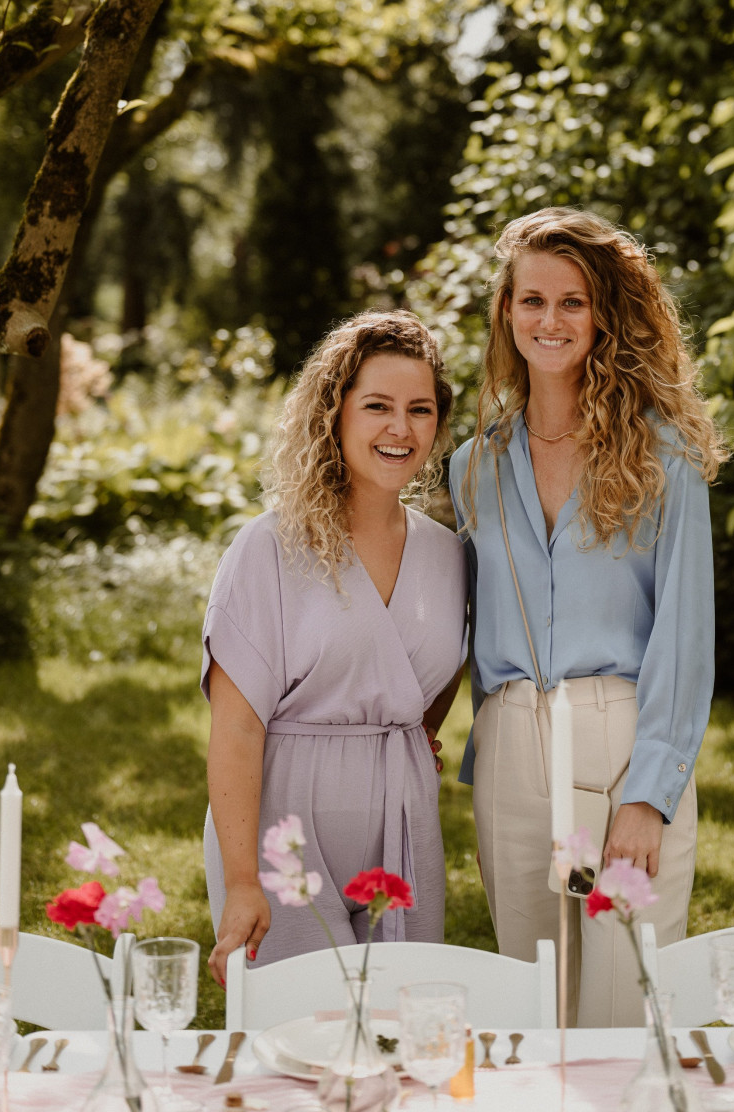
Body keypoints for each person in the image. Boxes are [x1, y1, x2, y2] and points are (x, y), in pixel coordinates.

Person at [449, 208, 728, 1027]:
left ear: (603, 313)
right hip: (509, 744)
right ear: (506, 312)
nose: (550, 320)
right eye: (532, 300)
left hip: (622, 741)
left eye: (572, 301)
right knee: (533, 1011)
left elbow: (685, 632)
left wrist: (651, 792)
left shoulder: (662, 454)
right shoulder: (476, 466)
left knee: (621, 1005)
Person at [203, 310, 467, 985]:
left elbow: (441, 668)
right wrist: (242, 881)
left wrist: (415, 732)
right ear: (334, 412)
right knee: (298, 1036)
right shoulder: (270, 547)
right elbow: (234, 727)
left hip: (404, 814)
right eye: (377, 406)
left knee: (398, 1026)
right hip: (284, 814)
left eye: (420, 409)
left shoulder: (448, 553)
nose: (400, 428)